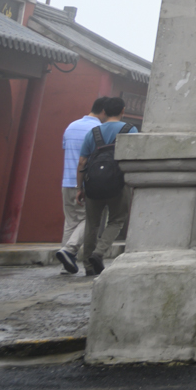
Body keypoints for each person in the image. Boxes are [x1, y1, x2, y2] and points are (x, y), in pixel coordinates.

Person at [68, 97, 134, 275]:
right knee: (116, 220)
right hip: (119, 184)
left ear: (104, 111)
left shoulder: (94, 132)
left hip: (93, 183)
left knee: (92, 224)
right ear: (122, 110)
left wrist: (80, 187)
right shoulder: (129, 129)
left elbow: (82, 162)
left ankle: (89, 267)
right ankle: (98, 253)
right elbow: (134, 157)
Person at [54, 101, 103, 275]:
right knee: (90, 219)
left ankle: (66, 263)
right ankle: (69, 250)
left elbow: (66, 150)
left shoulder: (71, 126)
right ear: (104, 111)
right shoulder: (98, 130)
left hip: (66, 181)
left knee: (71, 222)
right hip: (84, 182)